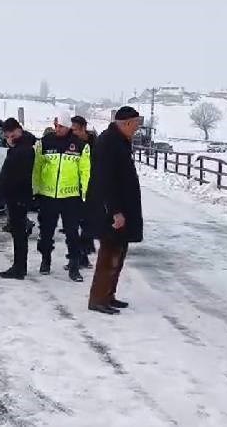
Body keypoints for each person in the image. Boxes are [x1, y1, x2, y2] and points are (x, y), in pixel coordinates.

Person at [87, 106, 143, 315]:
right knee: (109, 254)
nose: (137, 129)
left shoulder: (119, 141)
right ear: (126, 123)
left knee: (118, 254)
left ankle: (109, 295)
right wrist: (115, 211)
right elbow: (105, 182)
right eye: (135, 124)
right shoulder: (108, 143)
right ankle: (98, 298)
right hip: (110, 212)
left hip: (120, 210)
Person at [32, 111, 91, 281]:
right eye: (55, 125)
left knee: (72, 233)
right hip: (48, 196)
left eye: (61, 126)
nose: (57, 128)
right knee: (46, 232)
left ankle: (74, 266)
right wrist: (35, 190)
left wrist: (85, 195)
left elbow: (85, 172)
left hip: (70, 197)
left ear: (68, 127)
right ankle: (45, 260)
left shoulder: (80, 145)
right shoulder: (44, 143)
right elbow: (37, 168)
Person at [0, 118, 36, 279]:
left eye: (11, 134)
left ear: (18, 130)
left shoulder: (24, 149)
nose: (9, 138)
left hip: (18, 197)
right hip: (14, 196)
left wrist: (12, 193)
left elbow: (20, 176)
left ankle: (19, 268)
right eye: (7, 136)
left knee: (19, 233)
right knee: (18, 233)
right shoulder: (19, 147)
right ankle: (19, 266)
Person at [70, 115, 98, 267]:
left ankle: (83, 256)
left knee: (87, 224)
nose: (72, 133)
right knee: (76, 223)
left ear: (83, 129)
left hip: (92, 189)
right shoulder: (73, 143)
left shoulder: (96, 145)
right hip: (76, 188)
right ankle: (81, 257)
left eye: (75, 130)